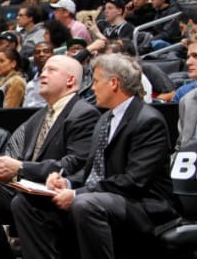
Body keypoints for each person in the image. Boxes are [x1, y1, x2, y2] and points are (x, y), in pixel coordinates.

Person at [11, 54, 178, 259]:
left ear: (114, 83)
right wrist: (67, 183)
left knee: (85, 204)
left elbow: (133, 181)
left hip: (142, 205)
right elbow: (92, 172)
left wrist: (76, 194)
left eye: (97, 81)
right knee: (26, 204)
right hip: (105, 196)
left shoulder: (148, 121)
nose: (91, 88)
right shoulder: (105, 119)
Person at [0, 55, 98, 259]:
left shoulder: (83, 114)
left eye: (51, 70)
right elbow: (18, 157)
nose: (42, 74)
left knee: (21, 203)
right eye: (43, 70)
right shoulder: (39, 116)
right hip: (26, 188)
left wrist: (20, 168)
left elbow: (75, 165)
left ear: (70, 80)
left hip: (55, 191)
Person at [176, 32, 197, 151]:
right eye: (188, 56)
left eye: (196, 56)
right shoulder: (187, 101)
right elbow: (181, 147)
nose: (188, 62)